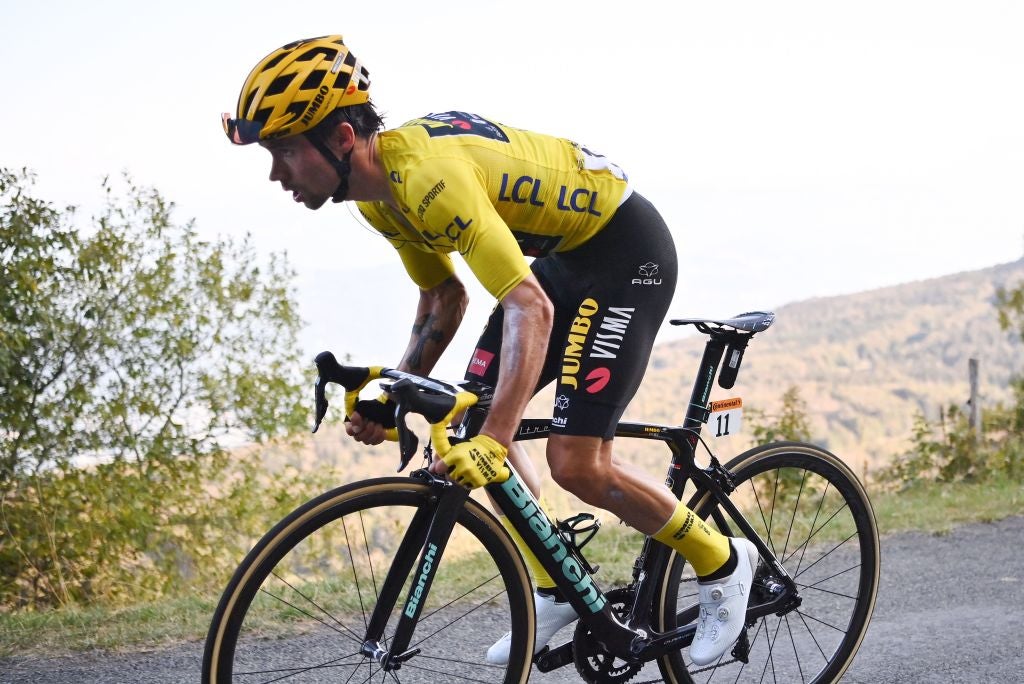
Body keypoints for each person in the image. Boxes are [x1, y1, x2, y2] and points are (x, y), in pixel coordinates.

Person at [222, 34, 758, 666]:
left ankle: (722, 561)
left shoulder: (426, 180)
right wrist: (391, 391)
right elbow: (443, 302)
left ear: (341, 137)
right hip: (565, 258)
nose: (276, 173)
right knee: (468, 423)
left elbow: (529, 307)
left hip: (625, 253)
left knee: (573, 462)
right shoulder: (378, 199)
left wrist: (497, 439)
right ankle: (556, 582)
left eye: (283, 150)